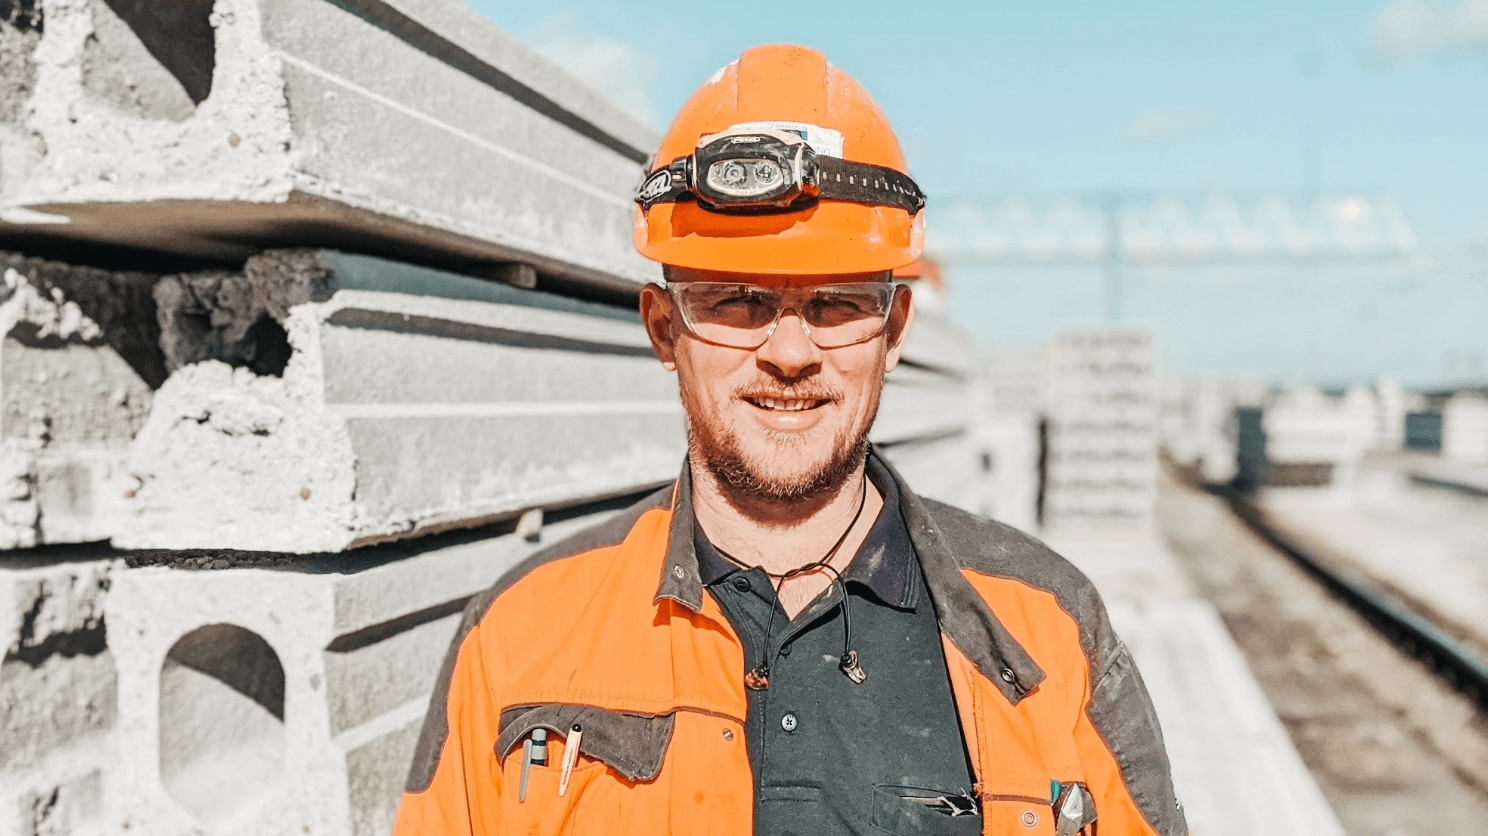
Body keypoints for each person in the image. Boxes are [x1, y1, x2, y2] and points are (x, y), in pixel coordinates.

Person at [392, 43, 1187, 836]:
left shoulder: (1047, 629)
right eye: (737, 301)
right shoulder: (521, 635)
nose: (791, 351)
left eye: (838, 302)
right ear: (664, 329)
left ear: (896, 330)